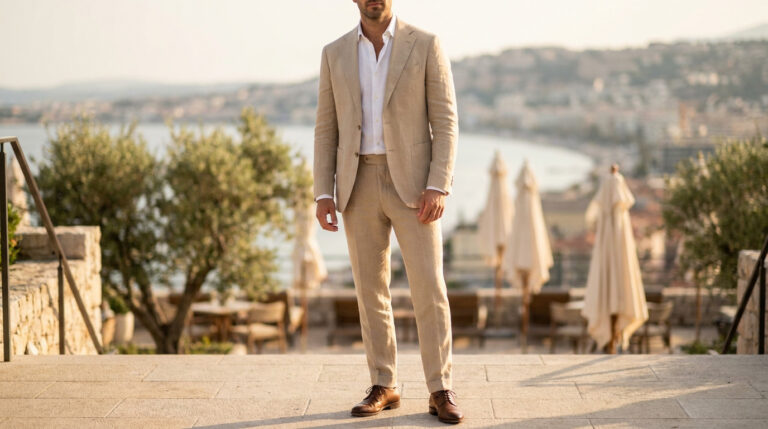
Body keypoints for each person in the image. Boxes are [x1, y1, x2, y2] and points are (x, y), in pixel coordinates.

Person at [313, 0, 462, 424]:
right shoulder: (334, 52)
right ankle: (384, 382)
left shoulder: (426, 44)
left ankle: (440, 388)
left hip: (415, 187)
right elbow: (326, 127)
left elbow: (446, 121)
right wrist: (323, 192)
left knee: (429, 289)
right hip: (357, 182)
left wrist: (438, 184)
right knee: (369, 290)